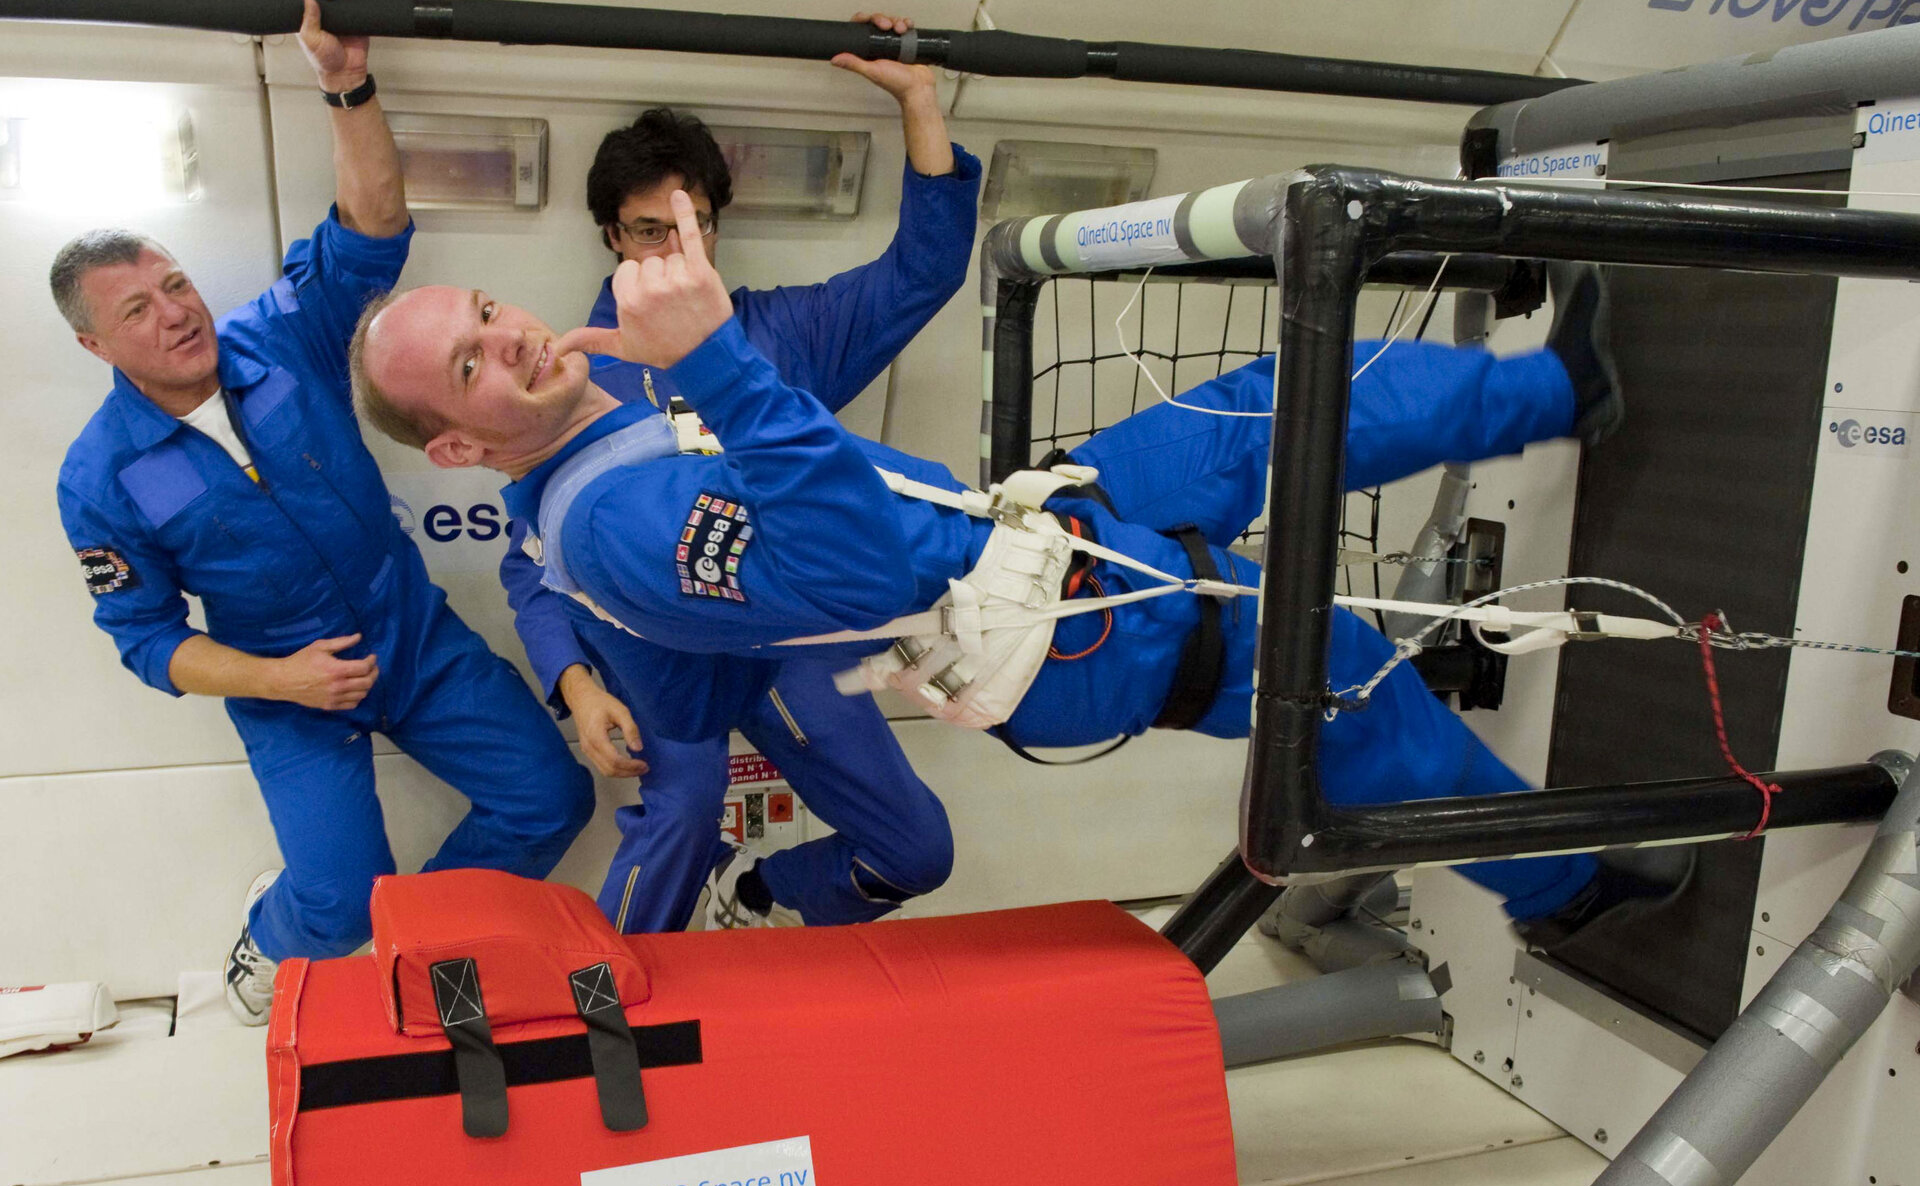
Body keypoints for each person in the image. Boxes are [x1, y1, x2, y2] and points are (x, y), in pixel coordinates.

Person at [349, 193, 1691, 947]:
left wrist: (698, 363)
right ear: (462, 444)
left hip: (1027, 527)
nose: (508, 337)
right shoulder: (612, 522)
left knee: (1255, 409)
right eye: (470, 364)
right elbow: (854, 563)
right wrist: (714, 359)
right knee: (1355, 689)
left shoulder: (608, 403)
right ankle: (1565, 889)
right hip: (1047, 629)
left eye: (483, 312)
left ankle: (1560, 389)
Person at [52, 0, 594, 1025]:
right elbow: (144, 640)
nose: (176, 312)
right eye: (137, 309)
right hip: (287, 684)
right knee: (336, 907)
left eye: (174, 284)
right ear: (96, 346)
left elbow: (373, 229)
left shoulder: (280, 337)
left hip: (415, 639)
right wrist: (281, 677)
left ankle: (429, 944)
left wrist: (346, 85)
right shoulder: (98, 478)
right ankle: (277, 938)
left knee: (550, 798)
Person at [489, 13, 977, 931]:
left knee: (920, 848)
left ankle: (751, 894)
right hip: (665, 645)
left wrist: (921, 95)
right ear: (609, 236)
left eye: (693, 227)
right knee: (680, 807)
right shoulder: (570, 367)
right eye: (648, 232)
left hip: (794, 637)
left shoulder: (779, 334)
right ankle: (619, 1020)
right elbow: (532, 564)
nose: (676, 253)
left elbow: (925, 269)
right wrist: (577, 685)